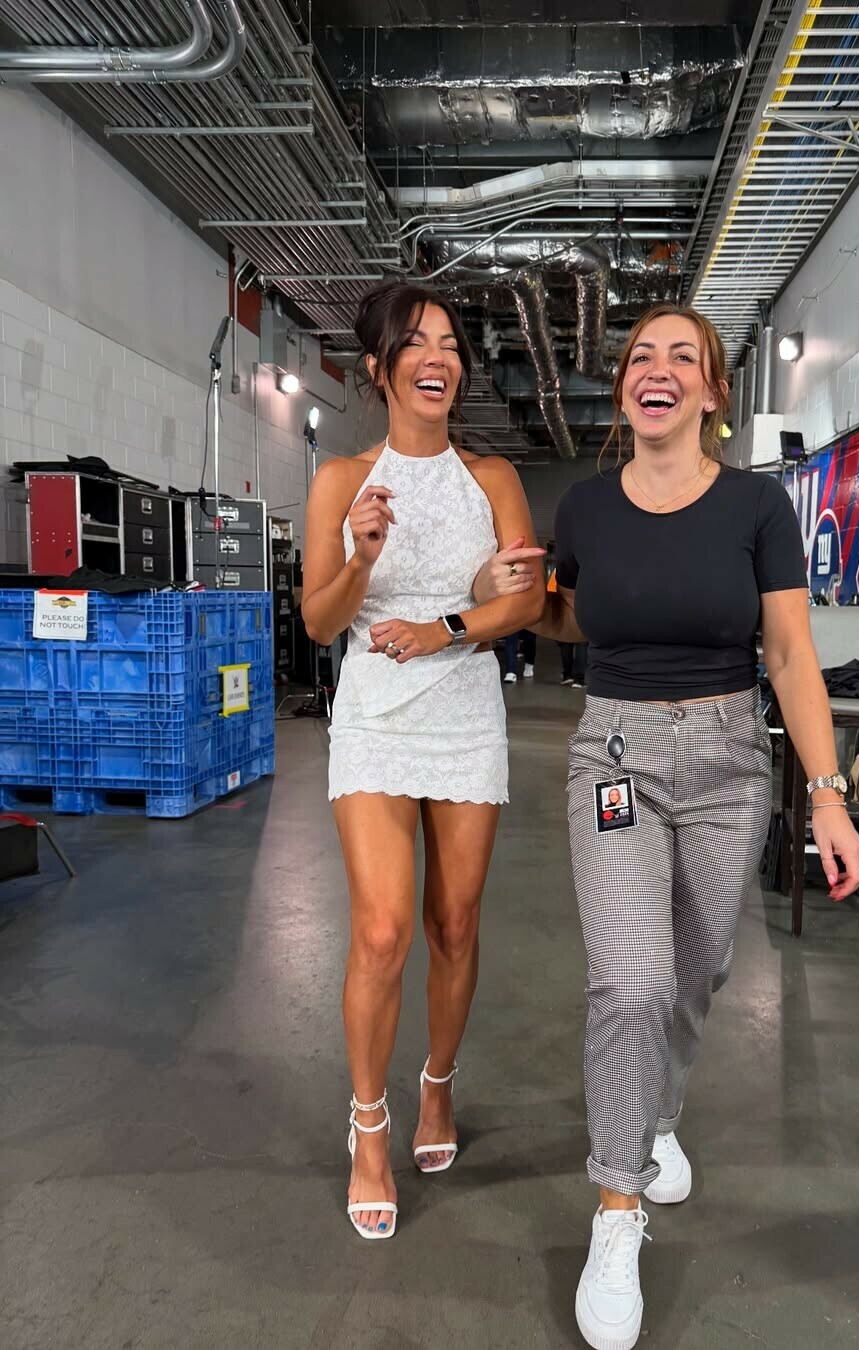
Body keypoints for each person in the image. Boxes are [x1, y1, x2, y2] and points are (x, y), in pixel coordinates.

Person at [475, 303, 859, 1349]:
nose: (656, 370)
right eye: (640, 356)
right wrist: (515, 594)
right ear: (625, 389)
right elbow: (569, 618)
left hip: (731, 761)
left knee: (697, 973)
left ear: (711, 390)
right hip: (616, 755)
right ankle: (617, 1206)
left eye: (680, 356)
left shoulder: (758, 506)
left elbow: (789, 654)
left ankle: (656, 1116)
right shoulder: (588, 510)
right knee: (631, 982)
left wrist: (828, 794)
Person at [302, 279, 544, 1241]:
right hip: (373, 712)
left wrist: (446, 626)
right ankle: (369, 1125)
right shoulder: (339, 481)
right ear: (380, 367)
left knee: (454, 922)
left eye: (450, 342)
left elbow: (526, 600)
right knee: (382, 931)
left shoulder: (492, 478)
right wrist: (361, 558)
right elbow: (319, 622)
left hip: (464, 707)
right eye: (418, 342)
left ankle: (437, 1082)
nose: (439, 357)